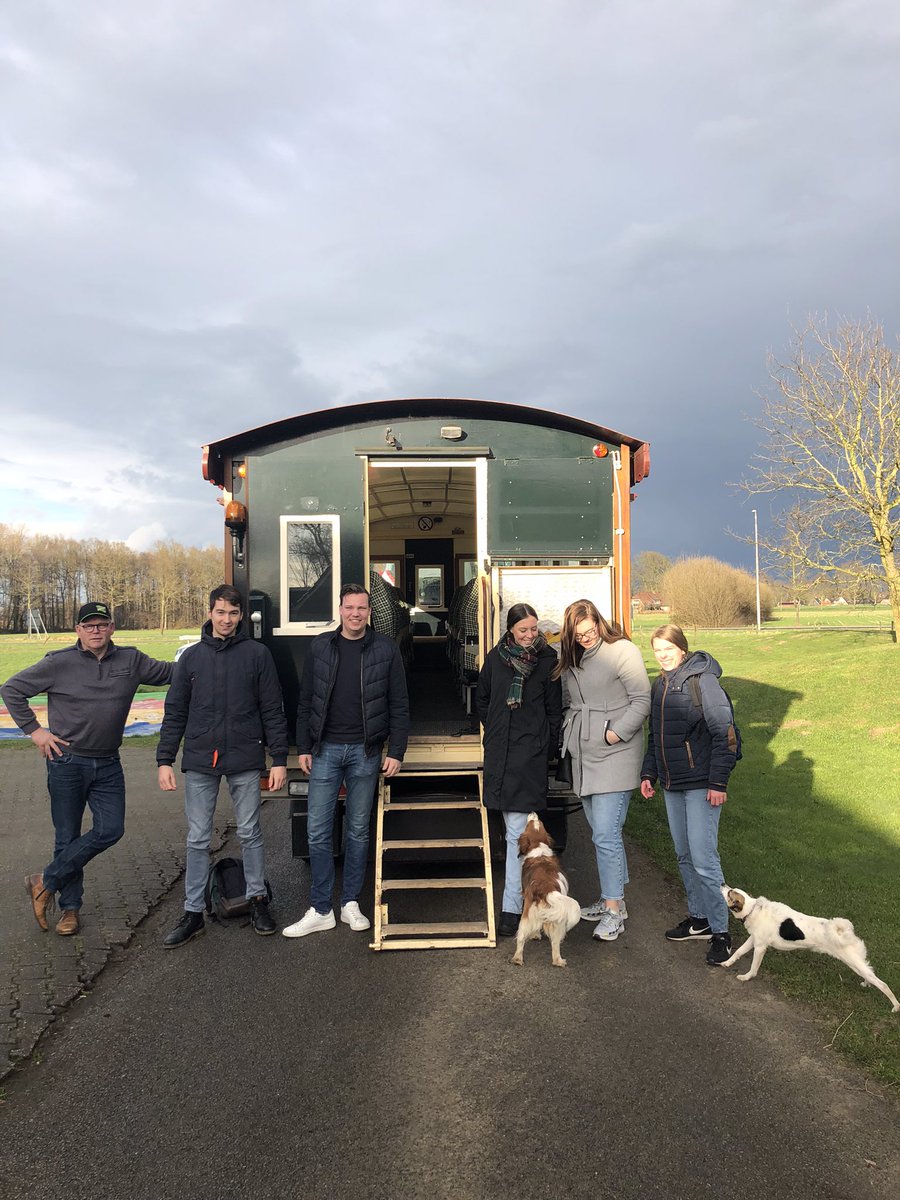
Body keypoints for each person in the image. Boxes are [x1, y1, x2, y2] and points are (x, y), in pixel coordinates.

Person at [2, 601, 173, 936]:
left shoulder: (131, 660)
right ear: (78, 630)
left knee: (111, 829)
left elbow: (174, 672)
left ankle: (44, 881)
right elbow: (11, 690)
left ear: (112, 627)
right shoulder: (57, 663)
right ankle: (70, 910)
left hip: (109, 762)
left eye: (102, 624)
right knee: (67, 837)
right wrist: (36, 732)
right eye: (89, 625)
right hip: (66, 761)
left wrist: (209, 650)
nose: (96, 631)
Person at [157, 584, 289, 946]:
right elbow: (175, 712)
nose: (226, 619)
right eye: (220, 612)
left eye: (233, 613)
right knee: (198, 838)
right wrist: (164, 759)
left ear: (241, 615)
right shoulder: (191, 658)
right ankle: (193, 912)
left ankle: (257, 899)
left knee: (249, 833)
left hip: (245, 757)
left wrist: (278, 759)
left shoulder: (257, 655)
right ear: (210, 612)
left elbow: (272, 709)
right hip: (200, 759)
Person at [282, 583, 409, 938]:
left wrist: (396, 750)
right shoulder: (322, 645)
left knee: (356, 830)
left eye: (362, 608)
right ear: (340, 609)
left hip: (365, 753)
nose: (356, 614)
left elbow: (399, 703)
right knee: (317, 831)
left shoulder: (385, 649)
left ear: (370, 612)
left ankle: (350, 903)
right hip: (324, 751)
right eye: (350, 607)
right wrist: (303, 746)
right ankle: (321, 908)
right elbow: (306, 699)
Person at [640, 623, 739, 966]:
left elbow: (724, 734)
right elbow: (656, 735)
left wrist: (718, 783)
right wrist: (649, 772)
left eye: (668, 648)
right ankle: (699, 919)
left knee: (704, 858)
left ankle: (722, 932)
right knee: (684, 855)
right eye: (657, 650)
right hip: (672, 783)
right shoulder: (660, 685)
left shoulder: (703, 681)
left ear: (682, 647)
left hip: (702, 785)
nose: (663, 655)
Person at [555, 599, 650, 943]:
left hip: (616, 753)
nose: (587, 637)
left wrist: (616, 732)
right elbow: (568, 700)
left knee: (606, 835)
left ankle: (613, 910)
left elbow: (642, 699)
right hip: (584, 754)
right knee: (600, 832)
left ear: (598, 621)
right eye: (579, 634)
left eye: (590, 629)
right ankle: (615, 901)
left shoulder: (622, 650)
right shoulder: (570, 657)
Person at [476, 603, 562, 939]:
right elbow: (483, 699)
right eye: (522, 629)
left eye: (533, 629)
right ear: (510, 628)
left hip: (529, 756)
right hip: (501, 752)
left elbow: (554, 710)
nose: (529, 635)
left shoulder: (547, 661)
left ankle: (514, 909)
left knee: (517, 836)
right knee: (513, 834)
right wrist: (497, 730)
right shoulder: (496, 658)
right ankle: (529, 906)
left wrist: (546, 746)